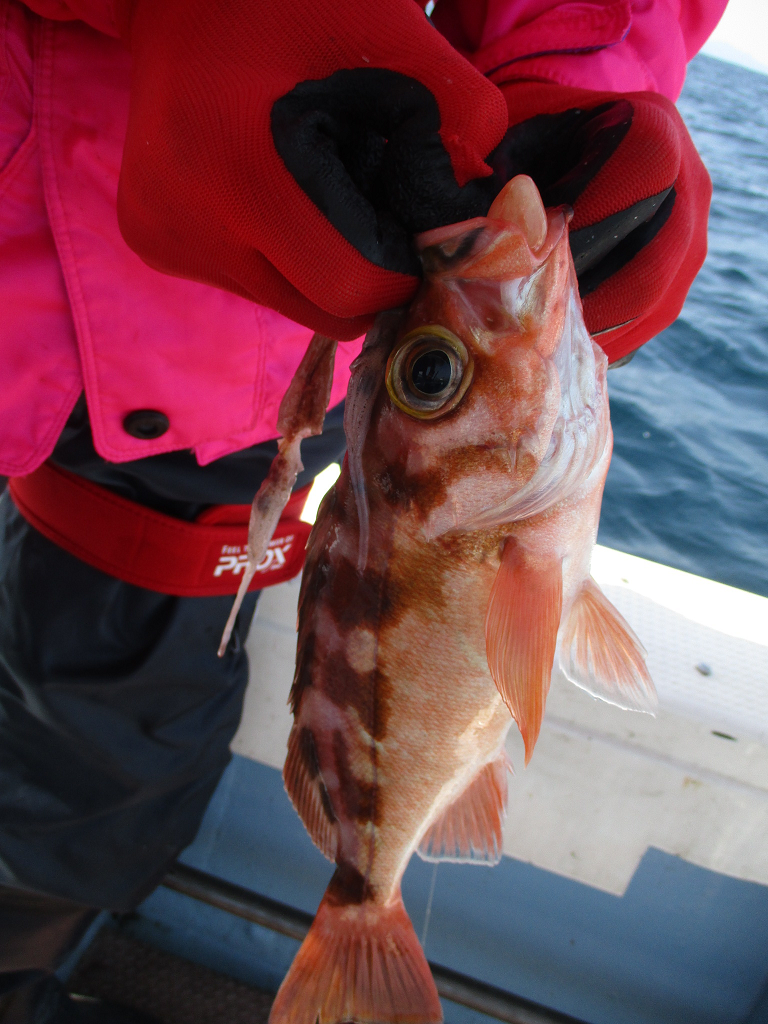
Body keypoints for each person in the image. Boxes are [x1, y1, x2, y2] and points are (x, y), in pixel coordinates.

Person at [0, 0, 727, 1020]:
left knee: (118, 753)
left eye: (436, 374)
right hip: (80, 299)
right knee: (80, 745)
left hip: (236, 346)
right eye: (439, 372)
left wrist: (584, 68)